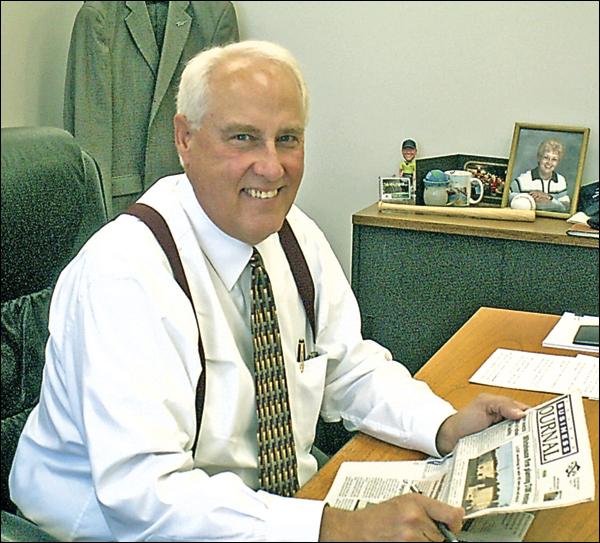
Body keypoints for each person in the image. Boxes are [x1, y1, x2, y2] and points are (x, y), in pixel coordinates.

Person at [9, 40, 529, 542]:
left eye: (288, 138)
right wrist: (337, 529)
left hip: (273, 512)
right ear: (184, 139)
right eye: (243, 138)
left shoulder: (294, 234)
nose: (272, 167)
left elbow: (346, 366)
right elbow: (144, 497)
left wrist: (442, 425)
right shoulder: (127, 273)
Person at [509, 138, 570, 212]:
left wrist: (548, 197)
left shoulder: (560, 181)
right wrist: (529, 198)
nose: (549, 162)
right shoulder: (522, 180)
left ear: (558, 162)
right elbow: (507, 198)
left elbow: (564, 208)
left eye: (554, 159)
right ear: (539, 158)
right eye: (546, 157)